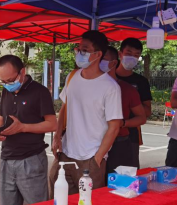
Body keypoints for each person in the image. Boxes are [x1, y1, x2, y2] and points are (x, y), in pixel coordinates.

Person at [49, 30, 122, 194]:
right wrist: (57, 136)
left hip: (90, 158)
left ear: (98, 54)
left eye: (85, 50)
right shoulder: (72, 77)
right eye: (78, 49)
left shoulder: (110, 87)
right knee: (57, 201)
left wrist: (98, 157)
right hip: (66, 153)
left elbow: (114, 126)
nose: (79, 53)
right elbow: (65, 108)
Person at [0, 55, 57, 205]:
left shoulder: (40, 92)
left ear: (22, 72)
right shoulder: (6, 91)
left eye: (10, 80)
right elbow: (1, 116)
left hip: (31, 159)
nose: (7, 85)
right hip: (6, 158)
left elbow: (52, 124)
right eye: (2, 81)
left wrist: (23, 127)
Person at [101, 46, 146, 172]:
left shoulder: (127, 89)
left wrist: (123, 123)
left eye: (103, 59)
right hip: (93, 142)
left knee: (120, 182)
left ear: (113, 62)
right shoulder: (88, 86)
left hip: (119, 143)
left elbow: (142, 118)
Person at [115, 38, 152, 166]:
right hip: (104, 132)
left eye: (136, 55)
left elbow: (147, 111)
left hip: (131, 134)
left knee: (129, 171)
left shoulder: (141, 82)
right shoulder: (107, 78)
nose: (132, 57)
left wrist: (131, 101)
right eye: (129, 53)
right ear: (120, 54)